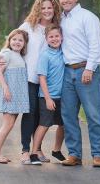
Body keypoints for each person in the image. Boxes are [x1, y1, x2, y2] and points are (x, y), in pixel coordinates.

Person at [57, 0, 100, 167]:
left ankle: (99, 154)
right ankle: (74, 154)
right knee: (68, 115)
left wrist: (89, 69)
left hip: (86, 70)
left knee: (93, 113)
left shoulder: (88, 17)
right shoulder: (60, 19)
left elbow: (96, 46)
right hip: (67, 71)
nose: (66, 0)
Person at [16, 0, 65, 164]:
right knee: (30, 115)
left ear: (54, 9)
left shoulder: (55, 28)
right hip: (29, 78)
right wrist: (2, 58)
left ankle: (37, 150)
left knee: (40, 118)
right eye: (43, 8)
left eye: (49, 8)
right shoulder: (28, 27)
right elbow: (13, 43)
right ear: (38, 9)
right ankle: (25, 151)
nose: (46, 11)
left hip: (47, 83)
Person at [0, 29, 30, 164]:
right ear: (9, 41)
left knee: (10, 124)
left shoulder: (19, 56)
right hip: (9, 94)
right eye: (14, 39)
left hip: (17, 96)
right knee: (7, 125)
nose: (17, 42)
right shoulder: (6, 54)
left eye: (20, 40)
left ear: (24, 44)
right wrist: (6, 88)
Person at [29, 25, 66, 165]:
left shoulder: (63, 52)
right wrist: (48, 98)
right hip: (47, 97)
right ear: (46, 39)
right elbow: (42, 78)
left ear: (61, 37)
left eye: (57, 36)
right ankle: (34, 153)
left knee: (63, 125)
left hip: (62, 97)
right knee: (44, 124)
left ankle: (56, 150)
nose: (54, 39)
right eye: (51, 36)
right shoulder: (45, 55)